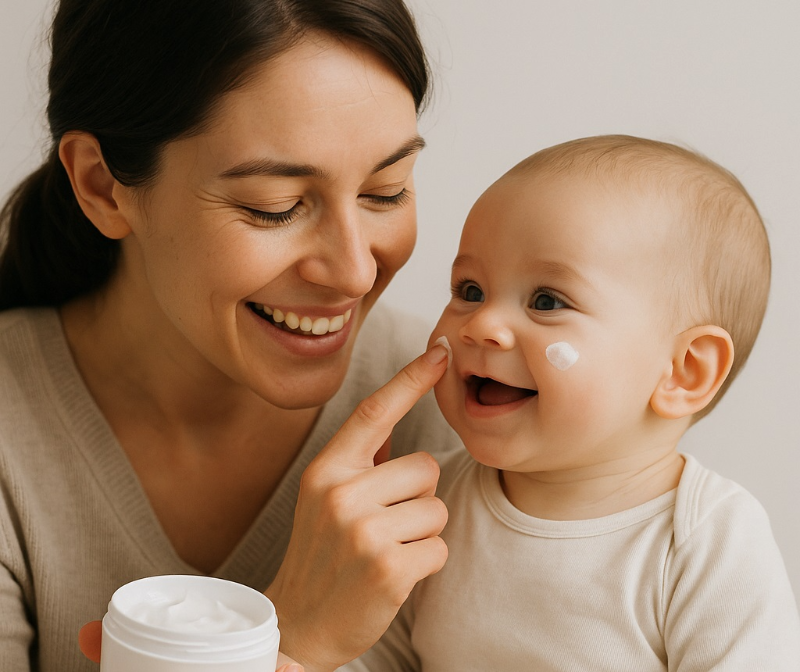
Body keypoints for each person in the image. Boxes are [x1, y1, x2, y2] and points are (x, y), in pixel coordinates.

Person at [0, 1, 463, 670]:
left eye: (385, 191)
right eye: (274, 207)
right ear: (102, 186)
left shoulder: (466, 410)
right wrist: (296, 640)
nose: (355, 271)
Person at [344, 135, 800, 671]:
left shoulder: (707, 542)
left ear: (684, 371)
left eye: (547, 301)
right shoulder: (431, 505)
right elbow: (378, 656)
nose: (484, 324)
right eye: (469, 290)